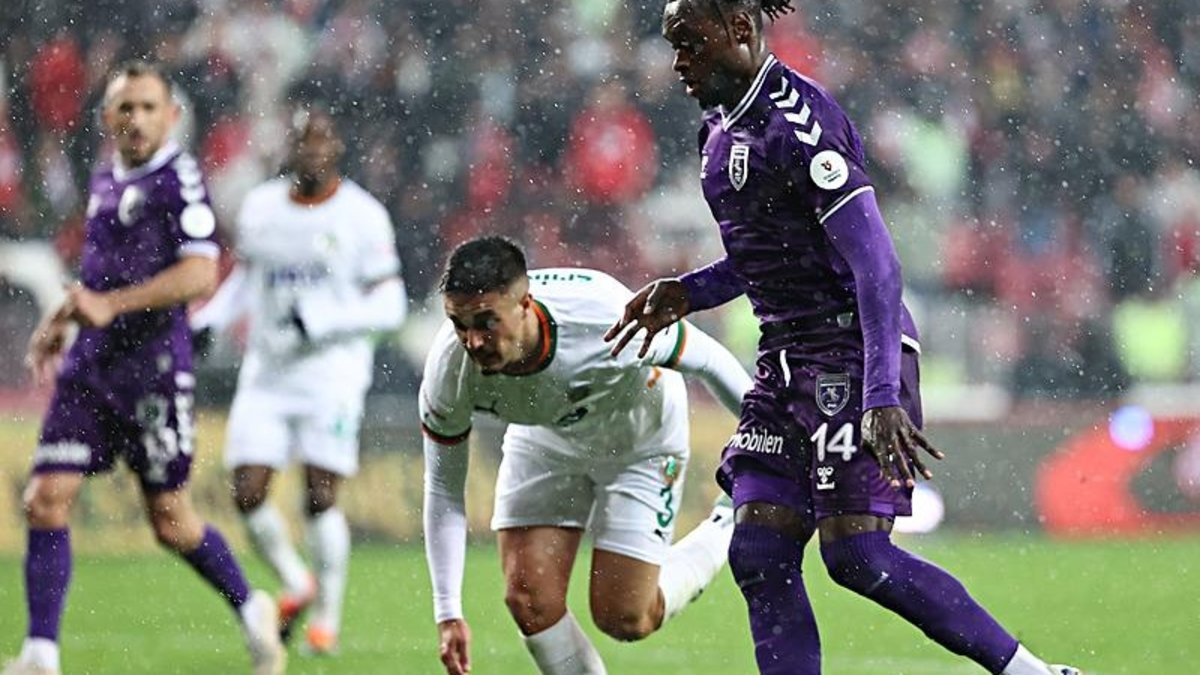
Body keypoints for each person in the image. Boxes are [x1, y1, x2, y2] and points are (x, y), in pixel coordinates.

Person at [605, 3, 1083, 674]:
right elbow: (765, 255)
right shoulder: (717, 131)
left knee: (856, 555)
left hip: (849, 350)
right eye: (673, 46)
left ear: (740, 30)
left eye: (690, 43)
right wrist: (687, 292)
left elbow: (876, 263)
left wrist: (880, 392)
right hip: (784, 359)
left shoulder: (801, 120)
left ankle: (1034, 673)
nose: (678, 62)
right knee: (759, 550)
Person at [4, 61, 285, 675]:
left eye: (147, 107)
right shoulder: (106, 172)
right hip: (90, 366)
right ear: (107, 117)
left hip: (152, 371)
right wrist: (65, 318)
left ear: (172, 116)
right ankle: (41, 656)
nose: (135, 119)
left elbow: (201, 273)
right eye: (124, 108)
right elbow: (103, 274)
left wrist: (113, 305)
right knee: (45, 498)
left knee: (171, 521)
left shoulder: (179, 180)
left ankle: (251, 604)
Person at [421, 237, 752, 675]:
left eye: (486, 322)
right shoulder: (449, 370)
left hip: (641, 440)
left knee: (625, 617)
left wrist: (771, 441)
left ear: (525, 305)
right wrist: (448, 610)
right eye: (459, 324)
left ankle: (724, 525)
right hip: (547, 437)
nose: (473, 340)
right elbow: (443, 489)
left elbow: (709, 359)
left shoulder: (605, 317)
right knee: (528, 600)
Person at [190, 106, 407, 655]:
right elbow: (245, 279)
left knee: (319, 495)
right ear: (288, 147)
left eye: (321, 140)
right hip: (266, 372)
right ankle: (295, 580)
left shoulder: (363, 216)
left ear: (337, 148)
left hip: (331, 375)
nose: (311, 149)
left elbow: (391, 303)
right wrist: (208, 320)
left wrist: (325, 323)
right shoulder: (262, 207)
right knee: (247, 491)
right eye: (302, 139)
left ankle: (327, 617)